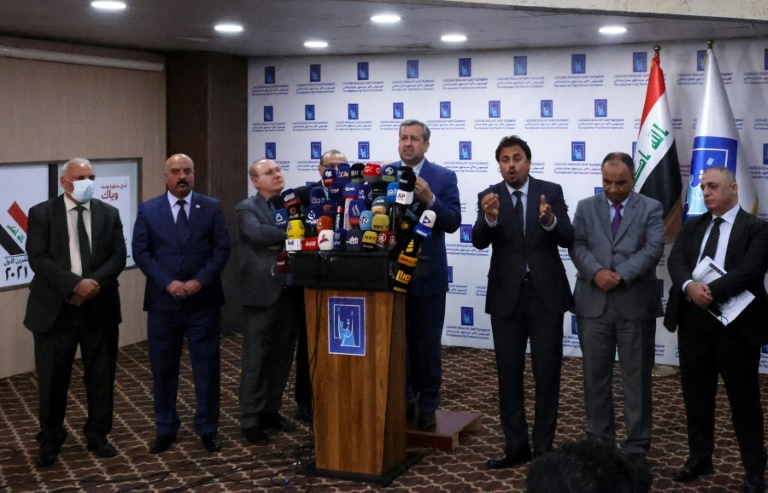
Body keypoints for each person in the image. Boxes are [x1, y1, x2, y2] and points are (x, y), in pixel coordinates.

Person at [471, 135, 574, 468]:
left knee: (547, 374)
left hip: (545, 296)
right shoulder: (489, 196)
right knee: (508, 375)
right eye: (505, 160)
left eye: (517, 158)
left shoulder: (551, 192)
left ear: (528, 161)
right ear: (499, 164)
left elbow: (568, 237)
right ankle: (516, 447)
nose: (511, 165)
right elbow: (477, 241)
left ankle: (543, 449)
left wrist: (549, 221)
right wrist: (489, 219)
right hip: (507, 298)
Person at [665, 166, 768, 492]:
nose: (705, 192)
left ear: (733, 189)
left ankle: (754, 470)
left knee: (744, 401)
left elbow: (750, 270)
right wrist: (688, 286)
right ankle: (700, 458)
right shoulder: (694, 225)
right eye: (702, 187)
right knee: (696, 396)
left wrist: (708, 292)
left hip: (737, 327)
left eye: (712, 186)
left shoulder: (757, 228)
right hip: (694, 323)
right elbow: (675, 261)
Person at [24, 158, 126, 467]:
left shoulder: (109, 213)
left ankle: (98, 435)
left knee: (101, 377)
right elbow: (38, 258)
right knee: (52, 381)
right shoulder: (42, 213)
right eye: (80, 177)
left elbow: (118, 256)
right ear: (64, 182)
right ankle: (51, 438)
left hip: (99, 308)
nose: (87, 182)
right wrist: (74, 286)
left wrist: (91, 285)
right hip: (56, 310)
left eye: (91, 176)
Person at [569, 152, 664, 465]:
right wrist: (596, 272)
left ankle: (636, 444)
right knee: (594, 376)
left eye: (620, 183)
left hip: (634, 302)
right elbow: (576, 245)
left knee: (636, 378)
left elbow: (653, 248)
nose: (612, 189)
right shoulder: (585, 207)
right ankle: (599, 440)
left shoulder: (651, 207)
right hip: (593, 302)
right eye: (607, 182)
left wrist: (620, 274)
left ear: (633, 178)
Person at [132, 153, 230, 454]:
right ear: (166, 176)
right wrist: (168, 283)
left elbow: (221, 249)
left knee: (207, 367)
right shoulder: (149, 209)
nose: (182, 176)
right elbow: (142, 252)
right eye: (175, 171)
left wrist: (199, 281)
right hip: (164, 304)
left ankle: (207, 427)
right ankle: (165, 427)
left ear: (194, 174)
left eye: (187, 170)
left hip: (203, 302)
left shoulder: (211, 207)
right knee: (163, 369)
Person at [392, 119, 461, 431]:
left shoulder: (443, 177)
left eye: (415, 138)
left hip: (428, 277)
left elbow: (453, 221)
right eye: (403, 138)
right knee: (398, 347)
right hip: (392, 276)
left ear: (426, 144)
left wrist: (430, 199)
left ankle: (428, 404)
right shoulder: (387, 175)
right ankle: (403, 402)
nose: (408, 143)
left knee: (427, 346)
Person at [236, 159, 303, 445]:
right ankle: (250, 418)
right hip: (261, 295)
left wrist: (281, 239)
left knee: (281, 357)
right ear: (255, 181)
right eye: (269, 173)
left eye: (278, 170)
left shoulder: (291, 204)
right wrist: (291, 235)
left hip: (290, 291)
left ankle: (270, 410)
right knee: (257, 359)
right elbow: (257, 233)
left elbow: (304, 230)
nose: (276, 175)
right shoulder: (246, 208)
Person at [292, 149, 347, 422]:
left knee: (343, 342)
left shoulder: (355, 194)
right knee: (309, 340)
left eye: (341, 166)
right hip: (313, 277)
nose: (335, 171)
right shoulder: (302, 196)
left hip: (347, 278)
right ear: (319, 169)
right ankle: (305, 399)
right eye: (330, 166)